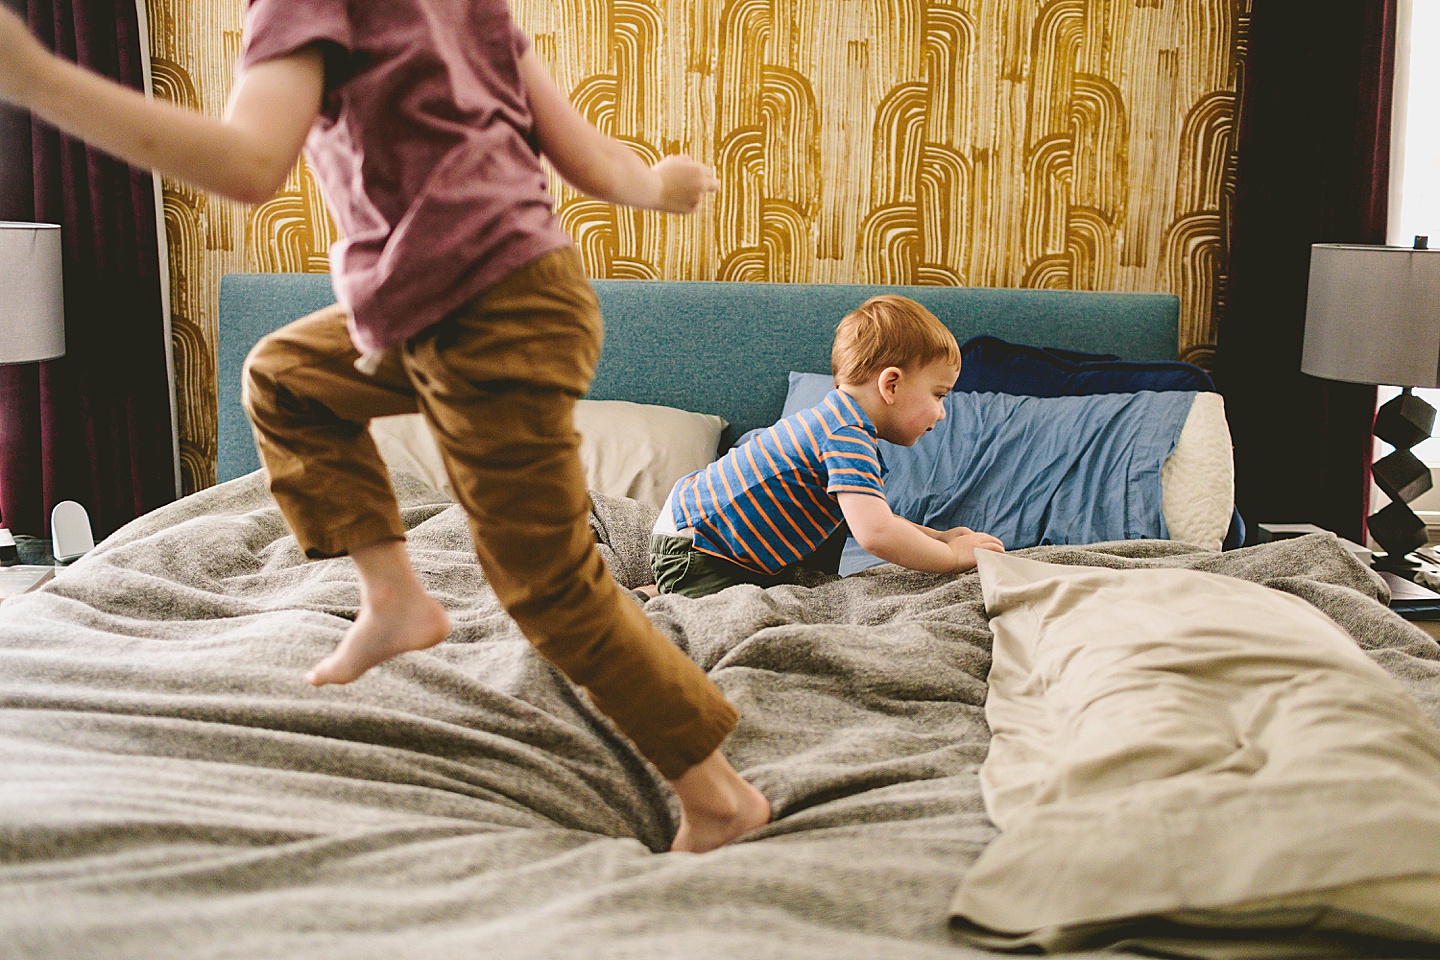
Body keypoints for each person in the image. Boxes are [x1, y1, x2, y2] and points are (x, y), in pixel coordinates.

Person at [0, 0, 770, 853]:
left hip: (481, 316)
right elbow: (593, 164)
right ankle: (395, 596)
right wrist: (661, 188)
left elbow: (252, 165)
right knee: (288, 378)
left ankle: (719, 794)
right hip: (484, 301)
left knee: (551, 589)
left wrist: (39, 79)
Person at [650, 295, 1005, 598]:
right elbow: (876, 533)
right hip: (698, 548)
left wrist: (939, 538)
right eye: (939, 395)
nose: (942, 414)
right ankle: (654, 595)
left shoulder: (838, 422)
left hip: (703, 537)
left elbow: (872, 516)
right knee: (724, 613)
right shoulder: (845, 434)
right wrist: (952, 558)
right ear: (891, 385)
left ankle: (654, 590)